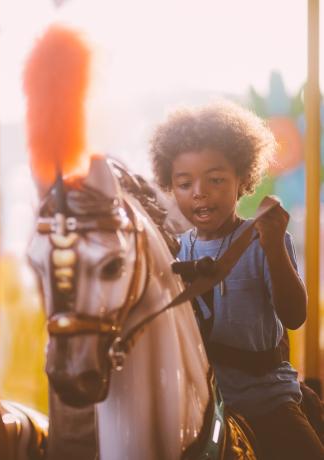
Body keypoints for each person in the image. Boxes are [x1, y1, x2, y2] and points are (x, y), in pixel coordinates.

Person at [149, 99, 324, 460]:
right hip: (197, 402)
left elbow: (294, 316)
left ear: (243, 179)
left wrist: (274, 248)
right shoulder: (174, 251)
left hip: (265, 397)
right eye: (184, 183)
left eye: (215, 179)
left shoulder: (264, 239)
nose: (199, 191)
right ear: (170, 185)